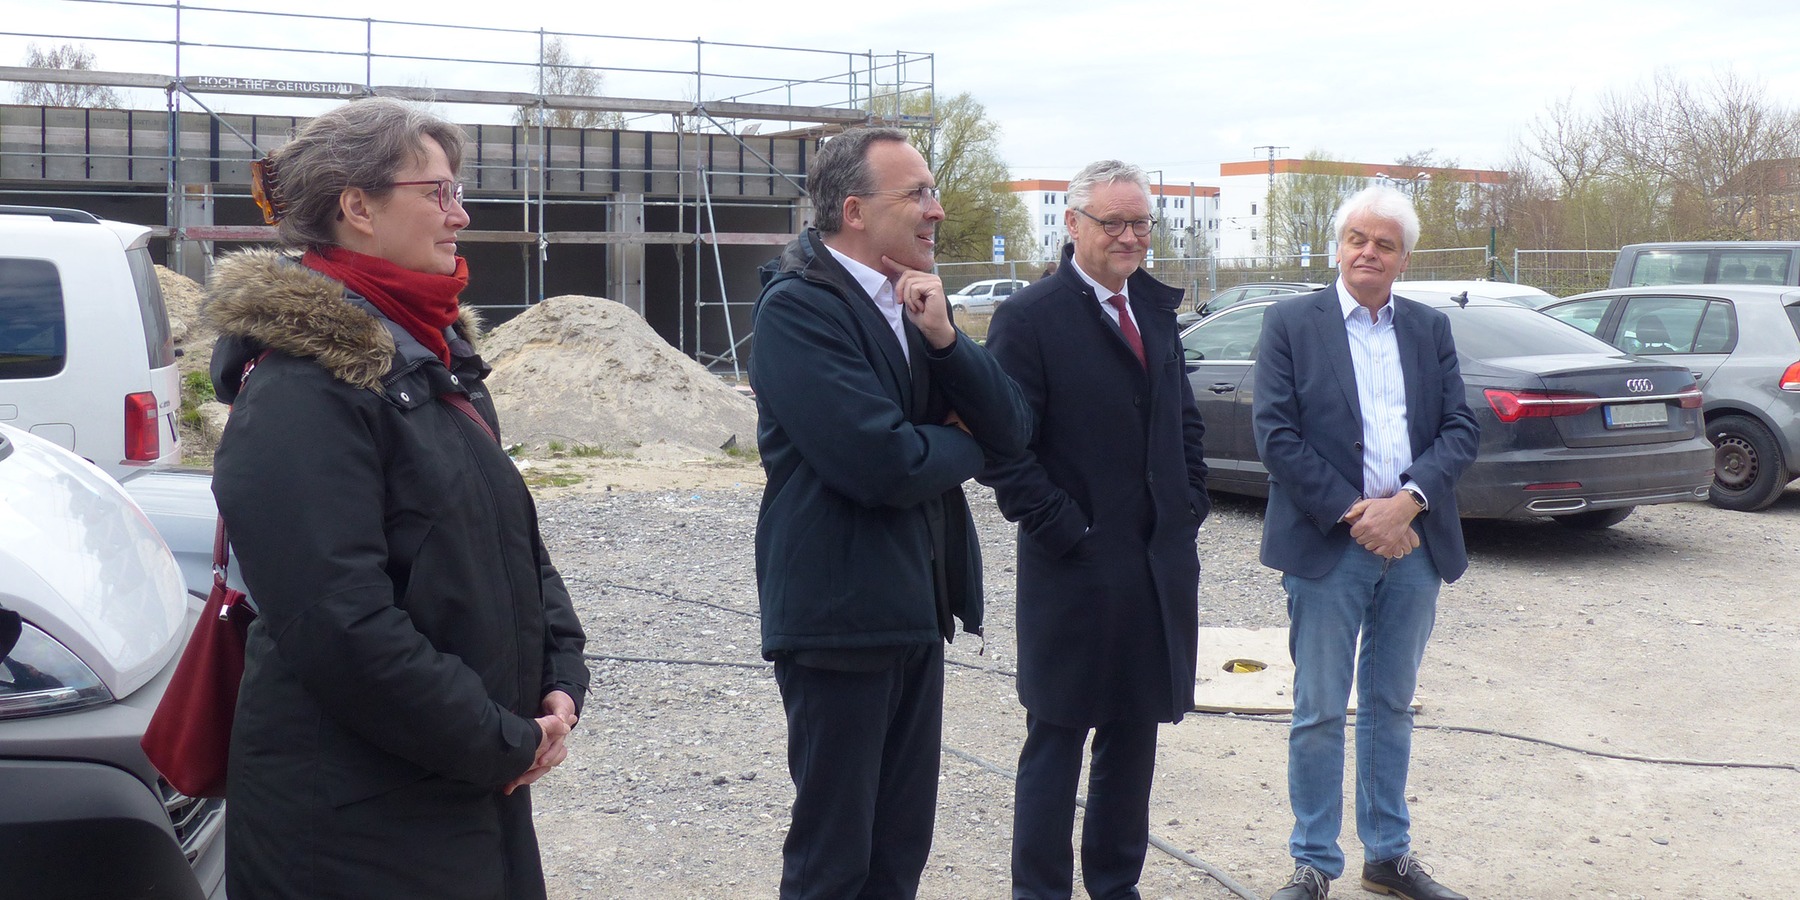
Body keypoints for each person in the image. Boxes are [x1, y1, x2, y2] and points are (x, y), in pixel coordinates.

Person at [205, 97, 589, 899]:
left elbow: (512, 543)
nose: (461, 214)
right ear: (359, 208)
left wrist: (559, 679)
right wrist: (497, 739)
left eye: (458, 192)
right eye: (439, 192)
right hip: (353, 822)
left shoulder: (432, 356)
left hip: (459, 788)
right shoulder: (300, 387)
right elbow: (339, 623)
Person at [749, 126, 1030, 899]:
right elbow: (882, 464)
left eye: (933, 192)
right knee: (834, 859)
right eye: (918, 194)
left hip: (913, 610)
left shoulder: (916, 303)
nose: (936, 210)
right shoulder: (798, 310)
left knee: (899, 851)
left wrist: (945, 340)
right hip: (837, 619)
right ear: (854, 211)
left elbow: (1013, 426)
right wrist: (962, 441)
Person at [982, 160, 1210, 900]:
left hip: (1154, 564)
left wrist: (1189, 501)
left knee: (1134, 737)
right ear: (1073, 224)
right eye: (1113, 222)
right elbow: (1004, 448)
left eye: (1140, 222)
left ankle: (1116, 885)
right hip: (1074, 568)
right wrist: (1063, 529)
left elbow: (1181, 419)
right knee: (1056, 738)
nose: (1129, 236)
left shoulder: (1154, 309)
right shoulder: (1031, 318)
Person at [1252, 185, 1479, 900]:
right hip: (1329, 544)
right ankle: (1313, 863)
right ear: (1338, 247)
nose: (1368, 252)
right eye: (1357, 239)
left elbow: (1460, 429)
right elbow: (1276, 436)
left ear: (1404, 258)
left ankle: (1387, 855)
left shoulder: (1429, 328)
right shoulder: (1291, 323)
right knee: (1319, 709)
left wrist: (1408, 504)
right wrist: (1361, 515)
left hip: (1414, 543)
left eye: (1385, 243)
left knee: (1390, 705)